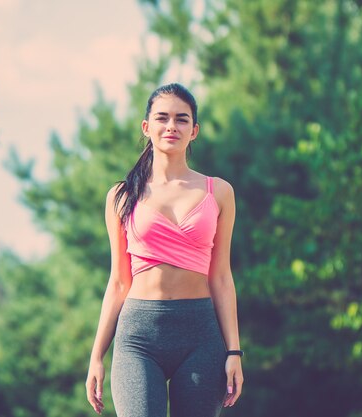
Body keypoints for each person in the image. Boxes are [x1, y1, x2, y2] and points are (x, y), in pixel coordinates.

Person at [85, 83, 243, 417]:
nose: (172, 125)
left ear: (194, 130)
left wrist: (234, 352)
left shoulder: (220, 192)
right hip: (137, 338)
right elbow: (117, 282)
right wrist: (96, 356)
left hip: (200, 335)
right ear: (147, 127)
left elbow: (222, 278)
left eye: (182, 119)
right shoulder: (122, 196)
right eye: (162, 117)